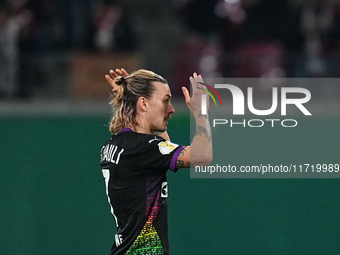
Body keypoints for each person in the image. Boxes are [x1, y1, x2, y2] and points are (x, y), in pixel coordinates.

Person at [100, 68, 212, 254]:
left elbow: (163, 148)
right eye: (165, 101)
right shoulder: (143, 148)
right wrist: (201, 114)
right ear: (143, 103)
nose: (171, 109)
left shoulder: (114, 144)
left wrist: (130, 95)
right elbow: (202, 155)